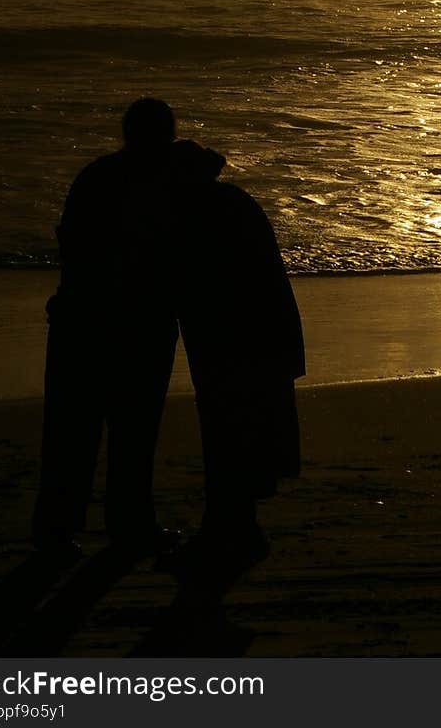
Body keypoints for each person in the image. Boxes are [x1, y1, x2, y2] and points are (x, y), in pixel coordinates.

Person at [32, 98, 183, 559]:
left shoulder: (96, 176)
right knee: (133, 433)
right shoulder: (169, 185)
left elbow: (71, 244)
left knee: (71, 432)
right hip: (138, 322)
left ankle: (56, 531)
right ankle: (129, 525)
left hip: (81, 318)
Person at [167, 138, 305, 597]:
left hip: (235, 336)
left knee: (227, 425)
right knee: (243, 427)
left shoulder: (201, 212)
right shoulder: (233, 203)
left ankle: (230, 525)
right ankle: (236, 521)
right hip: (259, 332)